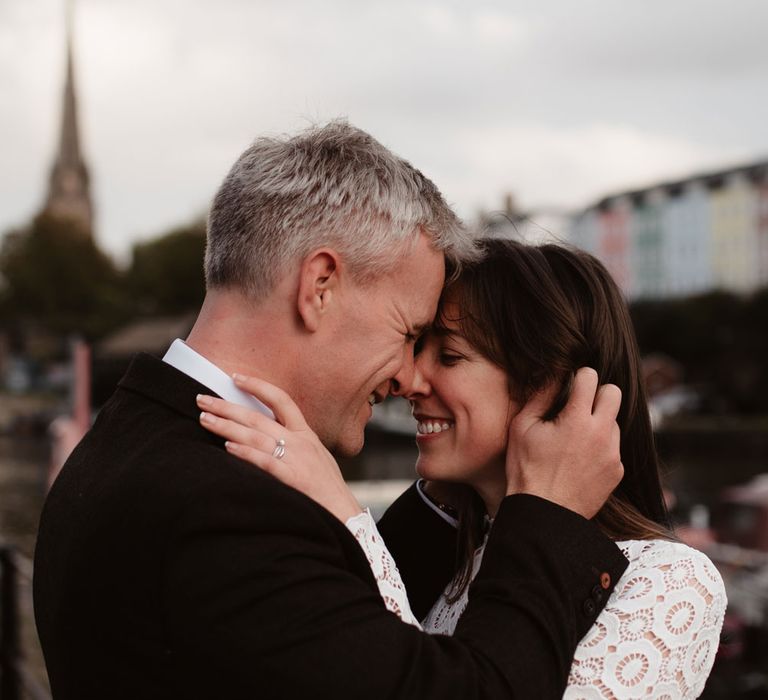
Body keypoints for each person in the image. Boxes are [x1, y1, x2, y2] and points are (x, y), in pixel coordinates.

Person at [34, 122, 627, 699]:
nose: (405, 375)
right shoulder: (229, 509)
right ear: (320, 285)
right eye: (409, 330)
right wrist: (548, 514)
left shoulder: (128, 437)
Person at [199, 239, 727, 698]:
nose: (410, 380)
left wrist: (345, 514)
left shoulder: (671, 580)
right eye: (415, 347)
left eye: (448, 356)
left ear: (552, 389)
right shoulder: (451, 555)